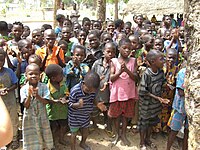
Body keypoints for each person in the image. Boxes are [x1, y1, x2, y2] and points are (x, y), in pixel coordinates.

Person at [109, 38, 138, 146]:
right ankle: (117, 134)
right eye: (124, 48)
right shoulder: (114, 61)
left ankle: (124, 134)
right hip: (117, 94)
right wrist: (120, 71)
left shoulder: (133, 61)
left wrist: (127, 70)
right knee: (116, 116)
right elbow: (111, 78)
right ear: (119, 48)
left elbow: (135, 77)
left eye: (129, 49)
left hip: (128, 94)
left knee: (126, 116)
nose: (127, 50)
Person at [138, 50, 169, 150]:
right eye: (161, 59)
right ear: (152, 61)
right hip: (146, 105)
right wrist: (158, 98)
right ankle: (142, 143)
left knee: (151, 123)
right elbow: (142, 91)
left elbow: (163, 83)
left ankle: (148, 139)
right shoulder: (146, 74)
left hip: (155, 105)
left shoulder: (161, 72)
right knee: (144, 123)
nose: (163, 61)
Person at [68, 71, 106, 150]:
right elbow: (70, 104)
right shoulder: (75, 91)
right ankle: (73, 148)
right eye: (88, 90)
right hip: (74, 116)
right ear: (83, 83)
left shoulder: (92, 89)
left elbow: (93, 99)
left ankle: (83, 143)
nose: (90, 92)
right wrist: (78, 105)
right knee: (74, 133)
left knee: (86, 131)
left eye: (92, 91)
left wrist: (97, 104)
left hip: (85, 115)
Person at [20, 63, 54, 149]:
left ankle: (45, 147)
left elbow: (46, 102)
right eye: (31, 74)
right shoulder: (23, 89)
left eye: (36, 74)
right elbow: (26, 105)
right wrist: (29, 95)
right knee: (31, 134)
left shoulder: (44, 87)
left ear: (40, 75)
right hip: (29, 116)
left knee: (44, 132)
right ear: (26, 75)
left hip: (42, 115)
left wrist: (37, 96)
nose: (33, 76)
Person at [92, 42, 116, 137]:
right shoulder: (97, 63)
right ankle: (94, 125)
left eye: (113, 52)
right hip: (97, 93)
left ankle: (108, 126)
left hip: (109, 94)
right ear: (103, 51)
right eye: (108, 51)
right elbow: (92, 77)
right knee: (94, 111)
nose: (110, 54)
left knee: (108, 112)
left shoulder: (115, 64)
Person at [45, 64, 69, 146]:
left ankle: (61, 139)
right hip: (53, 113)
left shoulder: (63, 83)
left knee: (63, 125)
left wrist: (65, 97)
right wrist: (58, 101)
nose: (62, 76)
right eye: (61, 75)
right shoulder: (47, 87)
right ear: (53, 78)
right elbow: (48, 100)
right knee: (53, 128)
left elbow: (66, 92)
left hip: (63, 111)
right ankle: (53, 142)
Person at [0, 48, 19, 149]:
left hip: (10, 100)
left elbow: (15, 84)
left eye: (2, 60)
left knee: (13, 119)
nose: (0, 63)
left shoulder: (9, 71)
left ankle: (14, 138)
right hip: (0, 103)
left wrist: (8, 89)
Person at [166, 67, 188, 150]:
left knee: (187, 132)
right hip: (180, 107)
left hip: (191, 110)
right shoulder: (183, 72)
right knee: (174, 130)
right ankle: (167, 148)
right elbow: (181, 92)